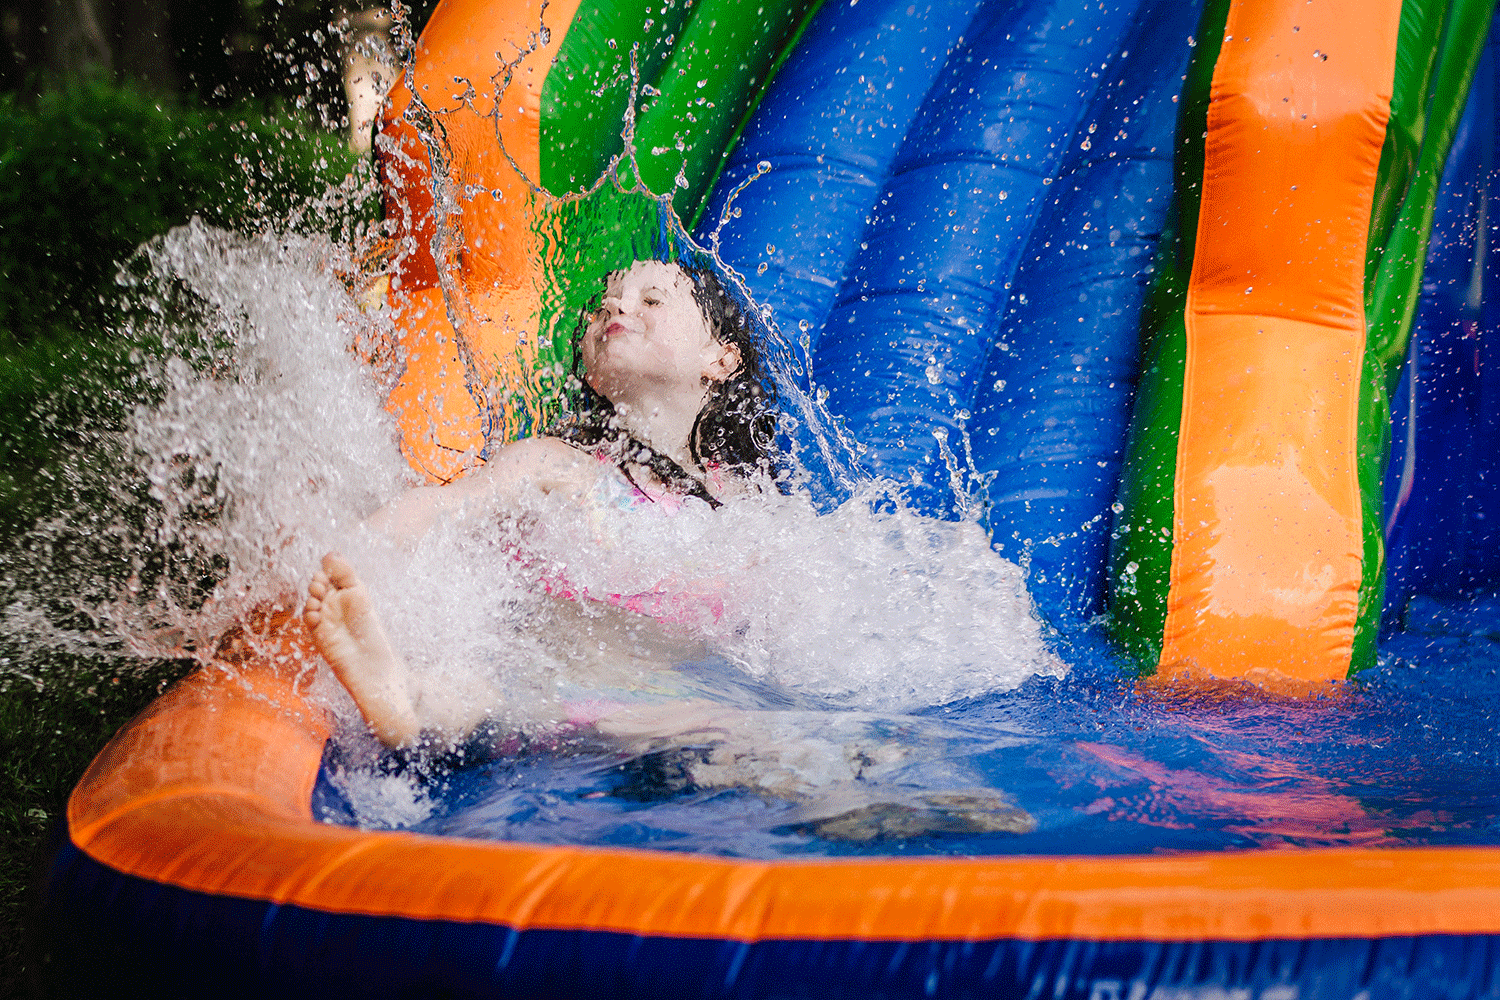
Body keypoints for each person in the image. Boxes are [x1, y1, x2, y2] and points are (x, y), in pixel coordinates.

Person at [303, 258, 779, 747]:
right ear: (592, 375)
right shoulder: (558, 464)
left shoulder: (740, 501)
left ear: (721, 360)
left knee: (751, 736)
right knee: (480, 690)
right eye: (604, 306)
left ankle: (414, 703)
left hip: (660, 699)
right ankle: (407, 699)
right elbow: (443, 507)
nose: (616, 306)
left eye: (651, 300)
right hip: (555, 689)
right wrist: (348, 553)